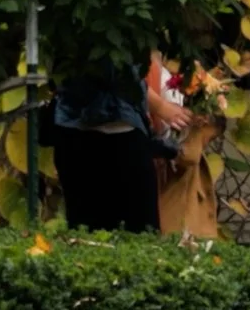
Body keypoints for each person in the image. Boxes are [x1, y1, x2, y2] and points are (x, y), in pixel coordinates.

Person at [48, 61, 162, 233]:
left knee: (137, 236)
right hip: (85, 133)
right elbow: (120, 77)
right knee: (90, 236)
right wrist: (161, 107)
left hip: (114, 133)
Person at [145, 51, 216, 239]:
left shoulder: (163, 59)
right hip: (153, 158)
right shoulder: (140, 63)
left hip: (171, 160)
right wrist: (162, 108)